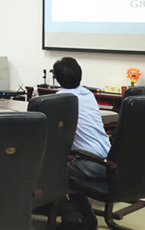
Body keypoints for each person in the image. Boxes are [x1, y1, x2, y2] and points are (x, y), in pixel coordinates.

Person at [54, 57, 110, 229]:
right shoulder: (89, 95)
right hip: (110, 161)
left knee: (50, 172)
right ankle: (87, 216)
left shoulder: (59, 99)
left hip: (90, 163)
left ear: (57, 79)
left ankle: (72, 218)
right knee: (69, 169)